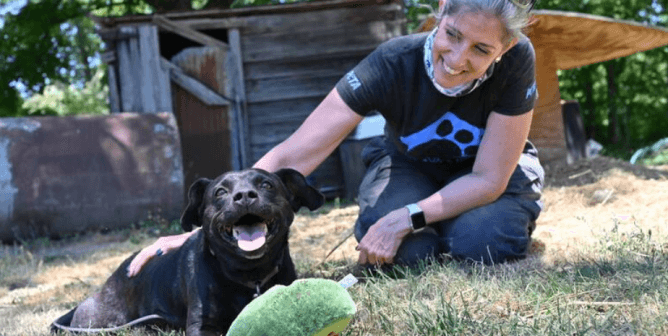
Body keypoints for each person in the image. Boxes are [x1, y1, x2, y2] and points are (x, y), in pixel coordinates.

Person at [127, 0, 544, 276]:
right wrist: (201, 228)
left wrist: (406, 217)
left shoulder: (518, 60)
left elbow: (490, 179)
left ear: (505, 48)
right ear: (439, 9)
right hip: (409, 166)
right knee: (407, 258)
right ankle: (438, 222)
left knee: (483, 242)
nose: (457, 60)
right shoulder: (391, 62)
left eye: (481, 50)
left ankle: (458, 224)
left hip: (483, 174)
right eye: (452, 34)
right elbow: (298, 151)